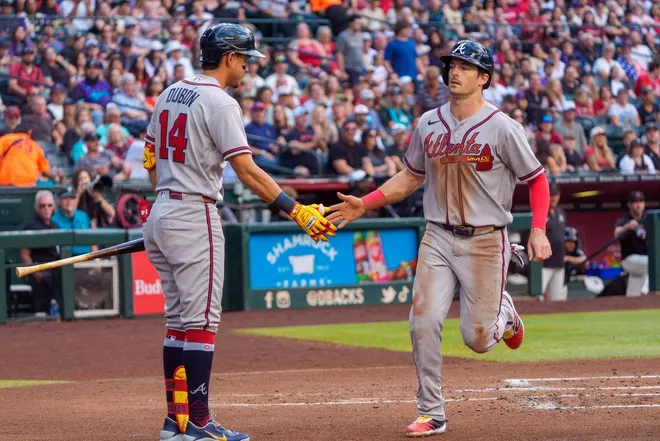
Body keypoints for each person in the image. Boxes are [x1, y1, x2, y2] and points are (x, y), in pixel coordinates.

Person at [326, 40, 552, 437]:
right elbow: (411, 176)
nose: (455, 72)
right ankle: (432, 411)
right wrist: (366, 202)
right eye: (451, 65)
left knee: (478, 339)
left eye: (465, 66)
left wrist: (538, 228)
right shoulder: (429, 122)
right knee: (422, 322)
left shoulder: (502, 127)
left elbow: (537, 179)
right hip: (437, 236)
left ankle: (506, 313)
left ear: (484, 78)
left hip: (485, 240)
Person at [141, 23, 336, 441]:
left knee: (178, 323)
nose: (247, 68)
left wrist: (163, 204)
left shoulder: (167, 94)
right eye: (245, 59)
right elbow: (246, 170)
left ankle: (176, 422)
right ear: (229, 57)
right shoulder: (220, 102)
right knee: (200, 324)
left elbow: (151, 161)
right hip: (194, 213)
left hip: (162, 209)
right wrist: (296, 211)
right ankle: (197, 420)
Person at [20, 190, 60, 315]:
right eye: (42, 206)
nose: (46, 209)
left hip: (56, 271)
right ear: (36, 208)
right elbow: (24, 255)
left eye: (49, 205)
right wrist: (36, 272)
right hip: (40, 271)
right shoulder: (31, 227)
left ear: (54, 207)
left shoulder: (55, 226)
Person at [614, 191, 649, 297]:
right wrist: (627, 226)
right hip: (630, 259)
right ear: (629, 204)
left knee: (633, 294)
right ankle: (646, 290)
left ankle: (630, 305)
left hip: (643, 261)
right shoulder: (625, 219)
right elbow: (616, 233)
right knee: (653, 263)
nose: (638, 205)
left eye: (641, 201)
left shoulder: (648, 219)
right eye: (635, 202)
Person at [540, 182, 567, 301]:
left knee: (558, 298)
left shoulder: (560, 212)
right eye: (551, 194)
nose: (553, 198)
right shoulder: (540, 211)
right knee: (538, 296)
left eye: (555, 194)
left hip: (559, 262)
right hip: (543, 263)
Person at [51, 187, 97, 257]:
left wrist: (97, 260)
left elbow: (92, 242)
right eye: (65, 198)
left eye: (72, 198)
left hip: (87, 258)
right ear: (59, 200)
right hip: (66, 259)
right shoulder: (54, 219)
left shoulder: (83, 216)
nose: (69, 202)